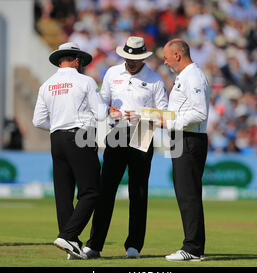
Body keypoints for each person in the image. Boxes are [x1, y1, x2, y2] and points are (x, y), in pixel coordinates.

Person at [83, 36, 168, 259]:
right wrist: (108, 111)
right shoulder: (112, 73)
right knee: (106, 190)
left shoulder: (155, 79)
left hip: (143, 131)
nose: (131, 61)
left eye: (135, 58)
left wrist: (141, 114)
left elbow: (165, 114)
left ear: (143, 58)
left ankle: (134, 246)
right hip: (117, 130)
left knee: (138, 192)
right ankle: (94, 245)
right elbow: (102, 101)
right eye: (128, 57)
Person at [32, 42, 109, 259]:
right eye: (80, 61)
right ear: (76, 60)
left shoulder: (46, 85)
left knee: (63, 194)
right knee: (91, 191)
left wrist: (58, 124)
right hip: (80, 135)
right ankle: (68, 235)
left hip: (56, 138)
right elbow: (101, 113)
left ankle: (72, 245)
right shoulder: (85, 81)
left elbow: (38, 120)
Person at [155, 39, 210, 261]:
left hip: (190, 139)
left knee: (188, 194)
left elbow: (199, 113)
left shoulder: (193, 76)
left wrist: (168, 123)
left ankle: (193, 248)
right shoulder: (184, 77)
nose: (165, 61)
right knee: (185, 193)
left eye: (167, 56)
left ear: (178, 55)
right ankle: (194, 245)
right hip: (182, 138)